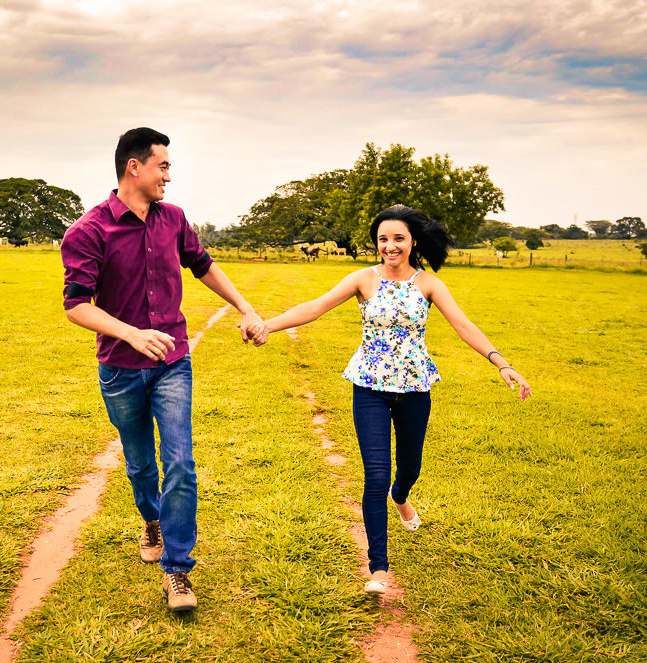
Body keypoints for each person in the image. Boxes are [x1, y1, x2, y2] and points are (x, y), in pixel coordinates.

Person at [261, 204, 531, 594]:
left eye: (398, 238)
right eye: (383, 239)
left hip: (414, 386)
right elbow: (315, 307)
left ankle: (401, 497)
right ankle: (378, 569)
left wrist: (501, 363)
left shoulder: (428, 284)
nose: (390, 246)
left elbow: (463, 324)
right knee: (375, 474)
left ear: (413, 241)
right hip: (368, 384)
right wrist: (267, 324)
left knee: (409, 469)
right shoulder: (362, 279)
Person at [60, 127, 267, 612]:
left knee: (179, 463)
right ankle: (150, 520)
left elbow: (204, 264)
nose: (169, 176)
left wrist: (245, 307)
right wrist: (130, 333)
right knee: (139, 464)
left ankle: (178, 570)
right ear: (135, 167)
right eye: (164, 166)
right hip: (121, 368)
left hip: (173, 362)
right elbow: (75, 306)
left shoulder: (173, 219)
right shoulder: (89, 231)